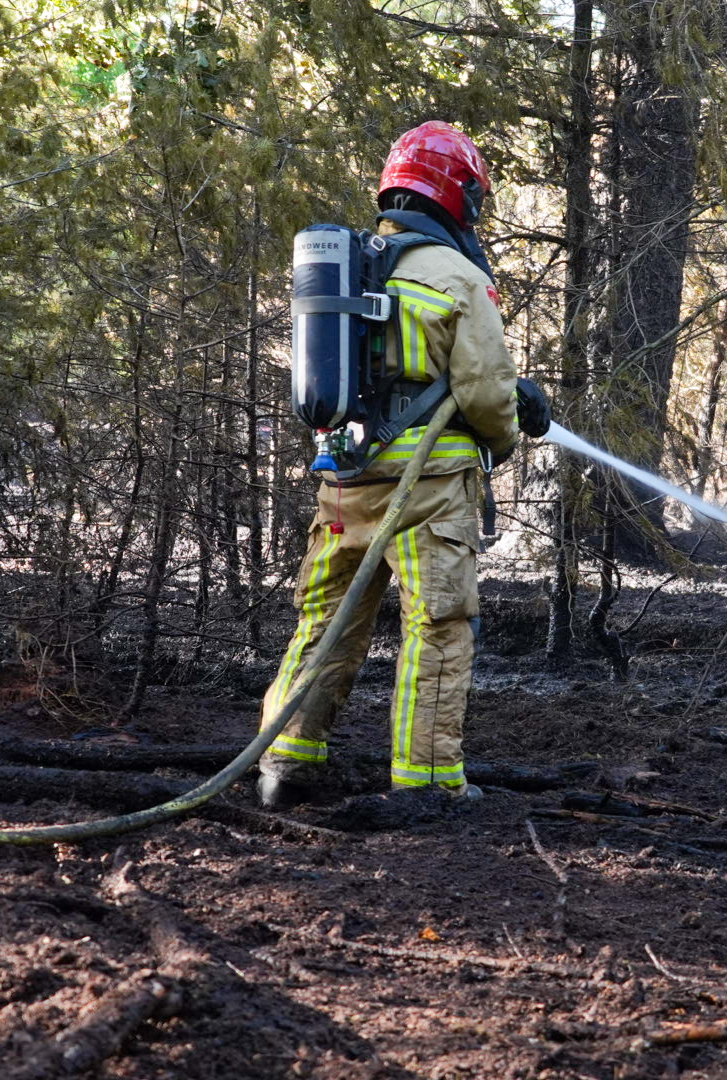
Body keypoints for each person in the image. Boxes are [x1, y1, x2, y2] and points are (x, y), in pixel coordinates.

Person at [257, 121, 550, 810]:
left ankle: (283, 762)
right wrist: (513, 423)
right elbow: (482, 394)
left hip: (342, 485)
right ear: (460, 196)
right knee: (437, 628)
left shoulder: (355, 263)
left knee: (327, 622)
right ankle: (427, 783)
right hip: (427, 492)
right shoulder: (457, 276)